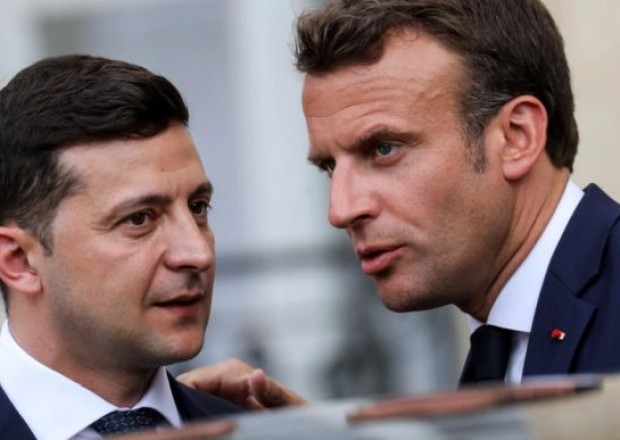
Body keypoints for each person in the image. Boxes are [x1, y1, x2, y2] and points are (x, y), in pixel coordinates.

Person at [179, 0, 620, 398]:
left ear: (516, 138)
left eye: (384, 149)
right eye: (329, 166)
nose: (340, 210)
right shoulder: (502, 340)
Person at [0, 54, 248, 439]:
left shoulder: (257, 429)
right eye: (139, 219)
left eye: (198, 208)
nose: (197, 253)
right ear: (19, 262)